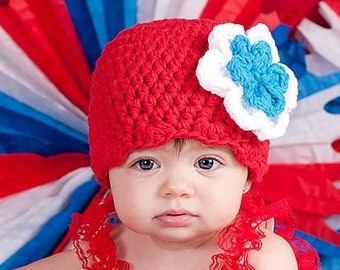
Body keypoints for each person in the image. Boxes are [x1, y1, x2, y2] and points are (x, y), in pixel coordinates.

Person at [18, 18, 319, 269]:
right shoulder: (98, 254)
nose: (176, 187)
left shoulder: (258, 258)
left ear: (246, 176)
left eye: (206, 163)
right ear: (109, 174)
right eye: (146, 163)